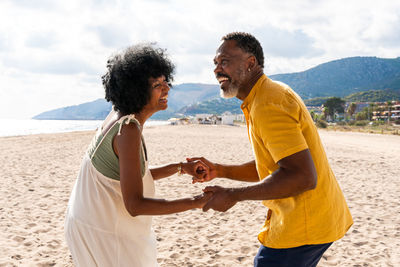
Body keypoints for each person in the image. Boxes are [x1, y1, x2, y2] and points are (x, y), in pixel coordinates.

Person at [188, 32, 353, 267]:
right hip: (314, 219)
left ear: (250, 63)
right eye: (215, 63)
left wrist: (234, 195)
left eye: (224, 61)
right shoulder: (264, 96)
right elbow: (278, 167)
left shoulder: (267, 103)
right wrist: (221, 170)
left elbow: (302, 176)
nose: (217, 70)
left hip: (302, 226)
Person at [64, 44, 211, 267]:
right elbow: (135, 204)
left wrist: (180, 167)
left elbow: (128, 176)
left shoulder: (118, 116)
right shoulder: (128, 130)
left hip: (87, 222)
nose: (166, 89)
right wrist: (196, 202)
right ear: (136, 91)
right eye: (157, 85)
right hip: (103, 232)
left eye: (165, 82)